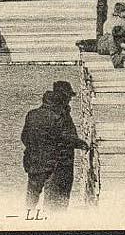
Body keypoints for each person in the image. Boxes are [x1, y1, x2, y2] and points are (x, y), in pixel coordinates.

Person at [21, 90, 89, 211]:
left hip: (33, 162)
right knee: (52, 200)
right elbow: (65, 139)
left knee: (32, 195)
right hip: (50, 163)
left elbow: (24, 137)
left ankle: (26, 217)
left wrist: (34, 148)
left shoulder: (31, 114)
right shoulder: (56, 118)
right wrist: (81, 144)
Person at [49, 80, 83, 210]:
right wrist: (77, 143)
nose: (69, 99)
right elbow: (59, 136)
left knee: (63, 194)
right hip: (56, 161)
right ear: (61, 96)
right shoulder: (55, 113)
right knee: (54, 196)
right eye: (68, 96)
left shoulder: (63, 111)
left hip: (65, 160)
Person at [104, 2, 125, 68]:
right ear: (120, 12)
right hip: (114, 44)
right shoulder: (121, 22)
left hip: (106, 43)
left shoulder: (109, 20)